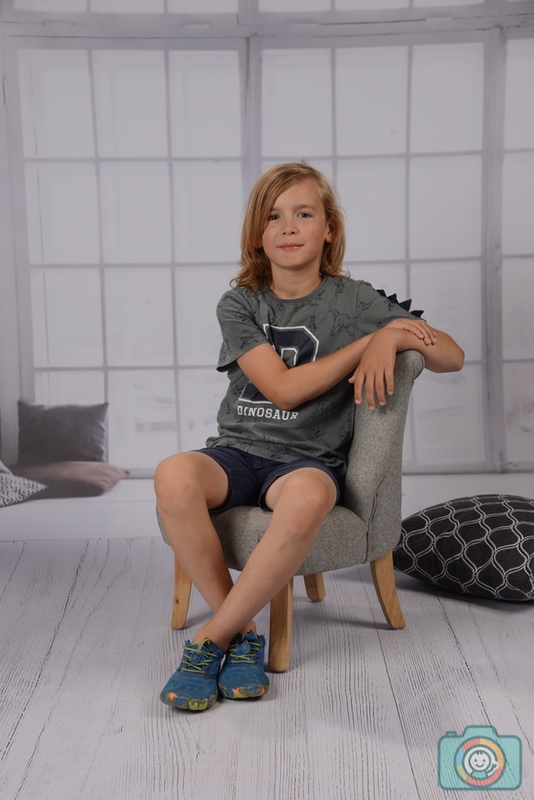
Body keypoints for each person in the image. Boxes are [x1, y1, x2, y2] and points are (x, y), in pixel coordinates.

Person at [155, 161, 464, 712]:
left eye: (303, 214)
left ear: (329, 229)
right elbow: (282, 391)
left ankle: (209, 641)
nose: (289, 227)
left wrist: (390, 335)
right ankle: (242, 632)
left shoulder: (356, 300)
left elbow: (452, 356)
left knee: (311, 495)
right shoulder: (240, 303)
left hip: (305, 461)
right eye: (273, 216)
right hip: (237, 453)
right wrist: (372, 341)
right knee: (173, 474)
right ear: (258, 234)